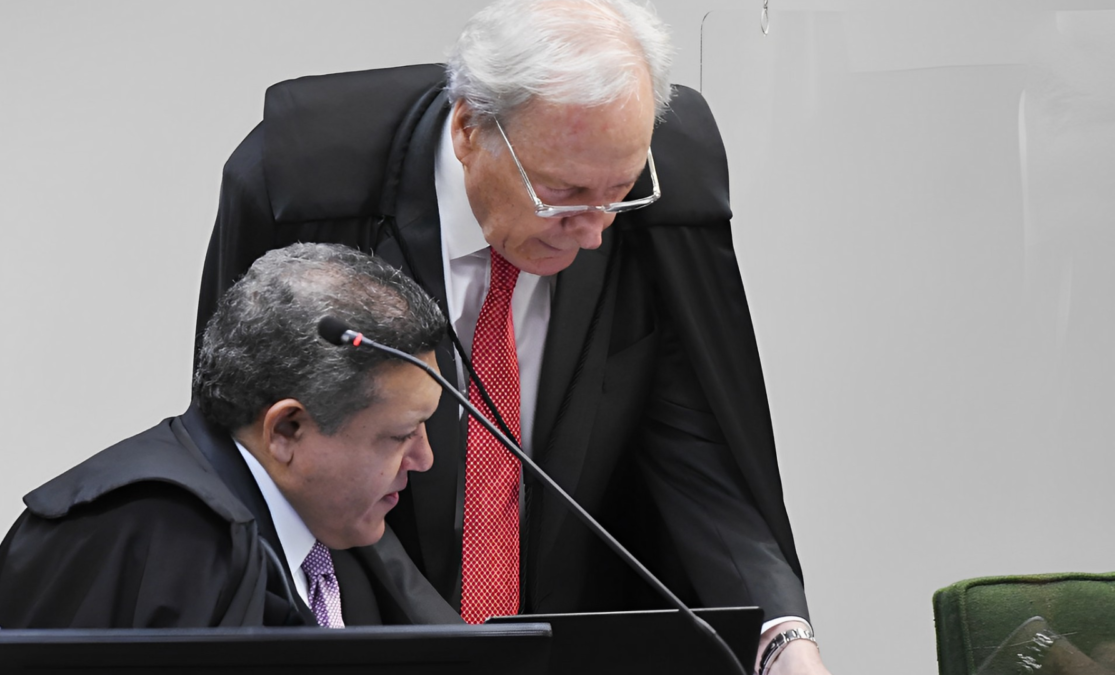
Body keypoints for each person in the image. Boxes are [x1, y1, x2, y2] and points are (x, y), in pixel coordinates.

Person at [197, 1, 830, 672]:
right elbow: (272, 465)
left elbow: (695, 451)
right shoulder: (299, 186)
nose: (595, 232)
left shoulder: (644, 173)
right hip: (366, 636)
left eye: (619, 193)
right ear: (469, 129)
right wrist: (467, 655)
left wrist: (782, 639)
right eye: (564, 193)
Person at [0, 243, 461, 629]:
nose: (424, 459)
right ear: (286, 430)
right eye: (400, 435)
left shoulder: (333, 532)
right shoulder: (156, 535)